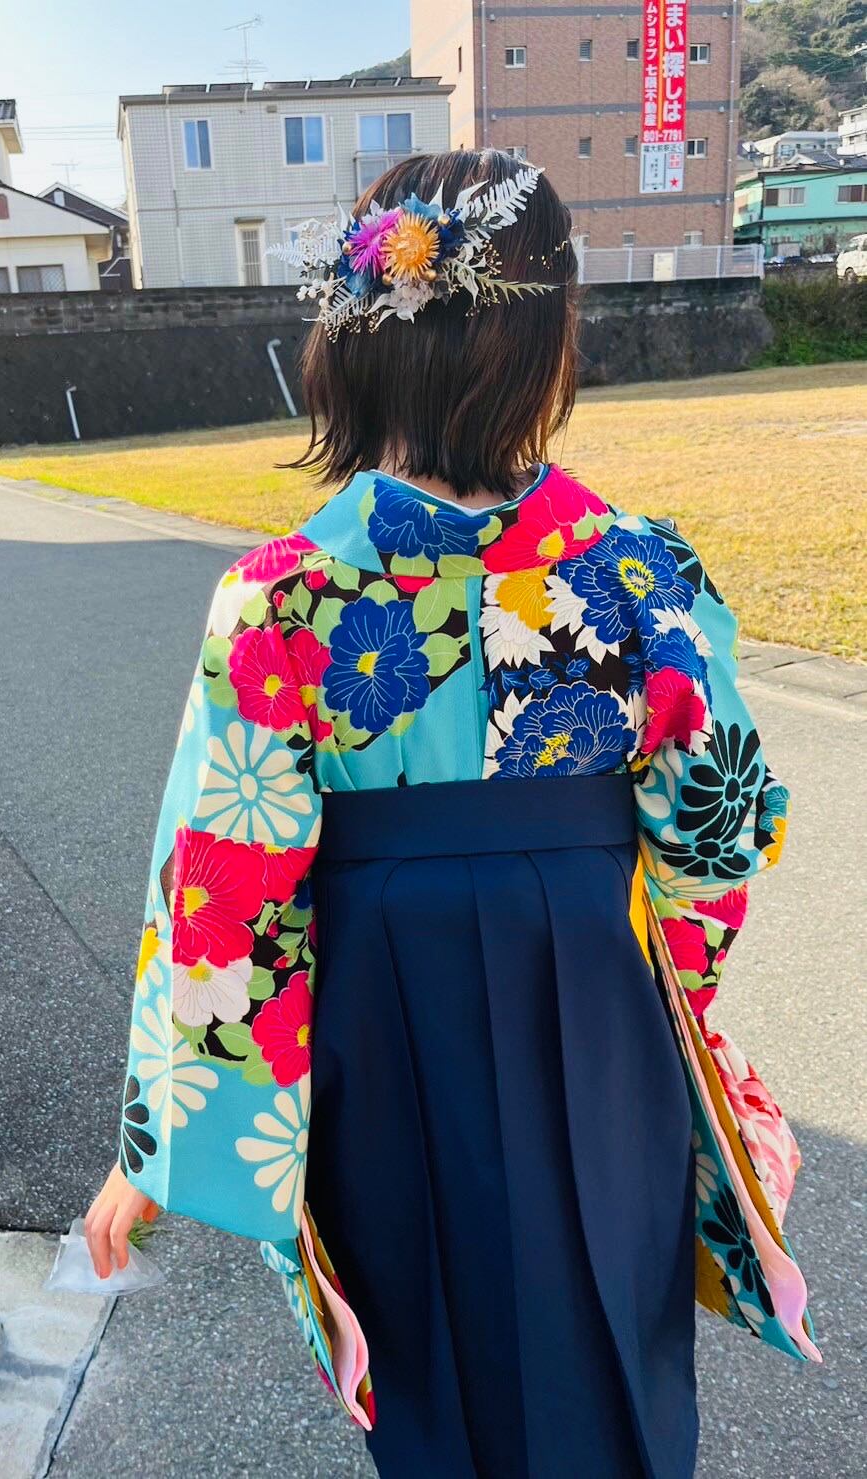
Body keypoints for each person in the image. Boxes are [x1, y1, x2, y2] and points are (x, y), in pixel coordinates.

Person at [85, 149, 790, 1478]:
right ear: (548, 339)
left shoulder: (283, 599)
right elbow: (718, 832)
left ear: (348, 343)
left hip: (380, 1025)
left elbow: (226, 892)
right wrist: (662, 983)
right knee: (611, 1342)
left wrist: (159, 1138)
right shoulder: (643, 573)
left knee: (431, 1354)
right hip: (600, 1011)